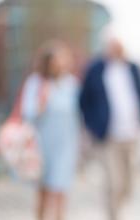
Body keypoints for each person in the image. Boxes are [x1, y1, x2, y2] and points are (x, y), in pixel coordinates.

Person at [79, 36, 140, 220]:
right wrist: (92, 126)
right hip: (109, 136)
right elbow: (84, 101)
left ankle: (118, 209)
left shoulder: (132, 68)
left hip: (132, 135)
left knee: (129, 184)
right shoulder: (95, 70)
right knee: (113, 183)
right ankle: (113, 216)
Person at [21, 41, 80, 220]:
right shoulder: (36, 82)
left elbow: (78, 114)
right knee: (43, 193)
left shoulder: (72, 84)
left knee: (60, 191)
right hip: (42, 144)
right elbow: (28, 113)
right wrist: (42, 102)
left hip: (66, 144)